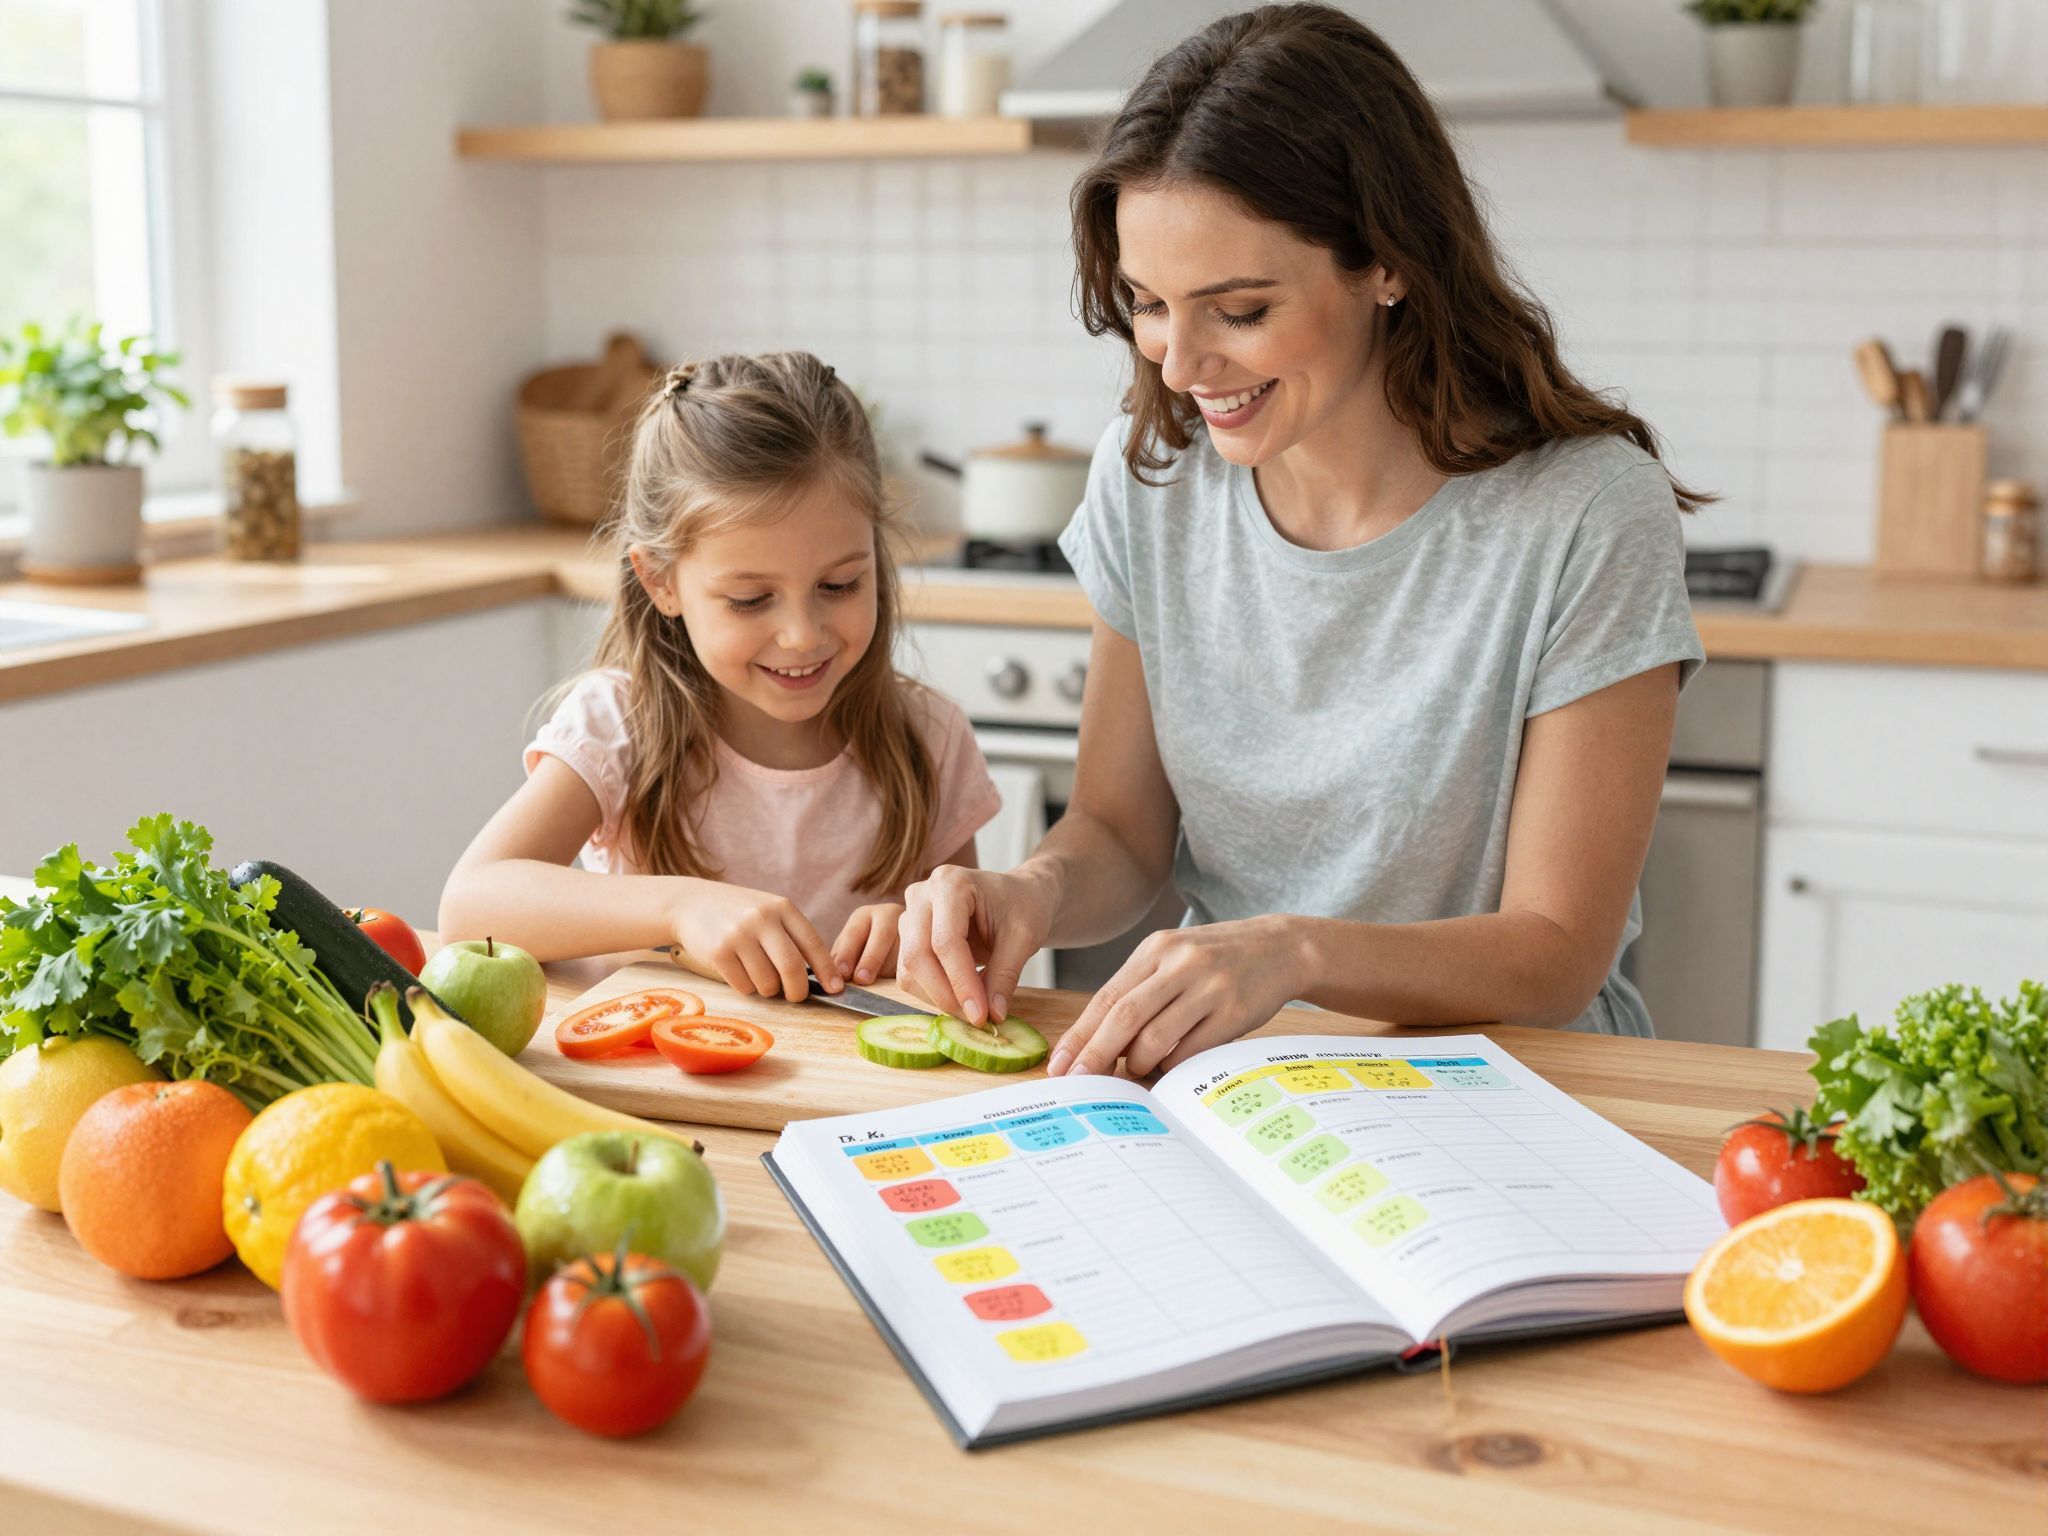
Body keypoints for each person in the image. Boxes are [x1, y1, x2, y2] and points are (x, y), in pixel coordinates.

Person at [896, 3, 1707, 1075]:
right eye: (1147, 303)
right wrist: (1028, 890)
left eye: (1237, 311)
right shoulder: (1152, 481)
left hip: (1518, 1090)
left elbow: (1556, 952)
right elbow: (1121, 833)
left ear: (1387, 264)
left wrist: (1294, 952)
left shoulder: (1585, 511)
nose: (1179, 363)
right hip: (1243, 1077)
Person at [441, 350, 999, 1001]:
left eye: (840, 584)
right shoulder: (619, 724)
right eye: (750, 599)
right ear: (661, 582)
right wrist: (680, 908)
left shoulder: (929, 735)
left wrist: (918, 934)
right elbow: (469, 906)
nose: (802, 634)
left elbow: (970, 947)